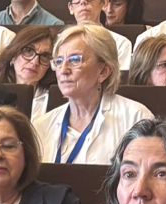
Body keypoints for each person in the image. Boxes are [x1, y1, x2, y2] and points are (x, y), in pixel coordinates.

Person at [35, 24, 153, 168]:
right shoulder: (41, 125)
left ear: (103, 71)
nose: (63, 70)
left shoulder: (136, 118)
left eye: (75, 60)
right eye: (59, 61)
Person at [61, 0, 133, 68]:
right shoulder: (60, 41)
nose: (83, 1)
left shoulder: (120, 44)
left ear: (104, 3)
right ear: (70, 7)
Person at [0, 25, 57, 118]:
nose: (35, 62)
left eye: (45, 56)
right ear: (13, 56)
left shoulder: (55, 100)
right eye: (28, 51)